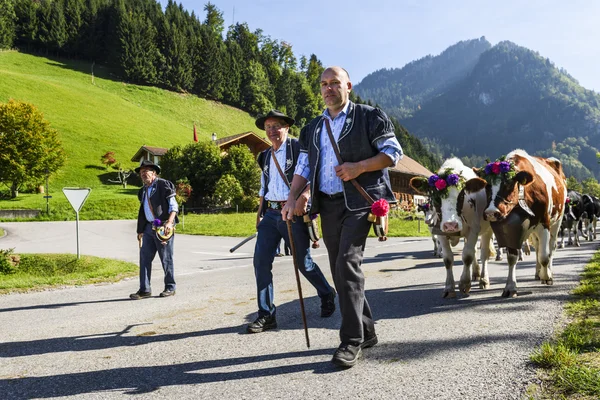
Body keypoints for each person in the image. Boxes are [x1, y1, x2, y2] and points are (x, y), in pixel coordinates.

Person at [281, 67, 403, 367]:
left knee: (347, 262)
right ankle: (367, 330)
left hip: (361, 202)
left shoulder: (368, 116)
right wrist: (292, 198)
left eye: (335, 83)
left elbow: (393, 152)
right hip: (329, 205)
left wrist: (359, 167)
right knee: (338, 270)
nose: (328, 88)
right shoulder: (312, 127)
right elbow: (303, 167)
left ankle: (351, 339)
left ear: (348, 86)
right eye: (323, 84)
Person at [247, 109, 336, 334]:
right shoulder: (264, 155)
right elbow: (263, 186)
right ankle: (266, 314)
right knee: (260, 262)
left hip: (293, 213)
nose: (272, 131)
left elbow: (313, 173)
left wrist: (304, 195)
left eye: (276, 126)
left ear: (287, 127)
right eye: (268, 127)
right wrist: (260, 212)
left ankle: (326, 292)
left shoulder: (298, 148)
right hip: (271, 213)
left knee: (303, 263)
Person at [130, 160, 179, 300]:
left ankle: (170, 287)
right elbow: (143, 211)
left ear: (154, 172)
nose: (143, 174)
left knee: (166, 258)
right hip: (148, 228)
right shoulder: (143, 190)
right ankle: (145, 289)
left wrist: (169, 222)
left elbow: (173, 206)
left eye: (146, 171)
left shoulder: (164, 185)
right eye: (141, 172)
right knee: (144, 258)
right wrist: (140, 230)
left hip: (163, 227)